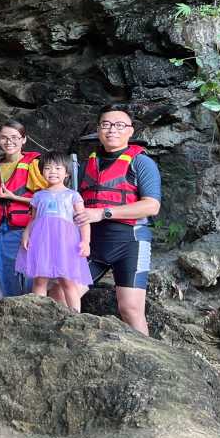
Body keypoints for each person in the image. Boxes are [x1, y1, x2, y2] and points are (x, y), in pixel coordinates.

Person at [74, 105, 162, 335]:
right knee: (64, 293)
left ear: (130, 131)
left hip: (129, 242)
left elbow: (151, 206)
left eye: (119, 125)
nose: (112, 130)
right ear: (98, 130)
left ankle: (150, 363)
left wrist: (102, 213)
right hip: (92, 243)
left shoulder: (141, 163)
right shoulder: (84, 166)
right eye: (106, 124)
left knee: (130, 308)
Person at [0, 120, 48, 297]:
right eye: (4, 138)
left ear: (24, 139)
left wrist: (14, 197)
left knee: (30, 277)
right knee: (6, 278)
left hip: (27, 230)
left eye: (14, 137)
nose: (9, 142)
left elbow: (46, 199)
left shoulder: (33, 164)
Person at [17, 153, 92, 309]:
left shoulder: (73, 195)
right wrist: (26, 233)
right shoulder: (38, 196)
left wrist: (86, 241)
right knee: (39, 279)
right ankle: (37, 315)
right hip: (42, 242)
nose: (52, 171)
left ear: (67, 173)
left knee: (68, 281)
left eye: (58, 168)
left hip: (66, 243)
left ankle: (75, 317)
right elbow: (33, 219)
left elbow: (83, 221)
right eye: (47, 168)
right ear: (41, 172)